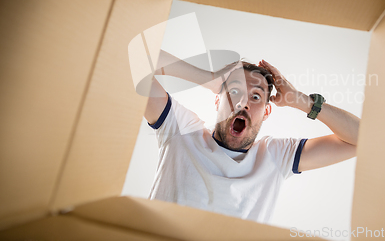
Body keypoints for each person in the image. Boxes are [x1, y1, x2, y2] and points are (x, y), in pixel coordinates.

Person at [144, 51, 359, 224]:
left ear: (266, 112)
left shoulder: (275, 156)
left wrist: (300, 100)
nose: (243, 103)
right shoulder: (181, 130)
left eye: (255, 96)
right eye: (235, 91)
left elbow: (363, 140)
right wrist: (206, 78)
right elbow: (133, 56)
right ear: (217, 101)